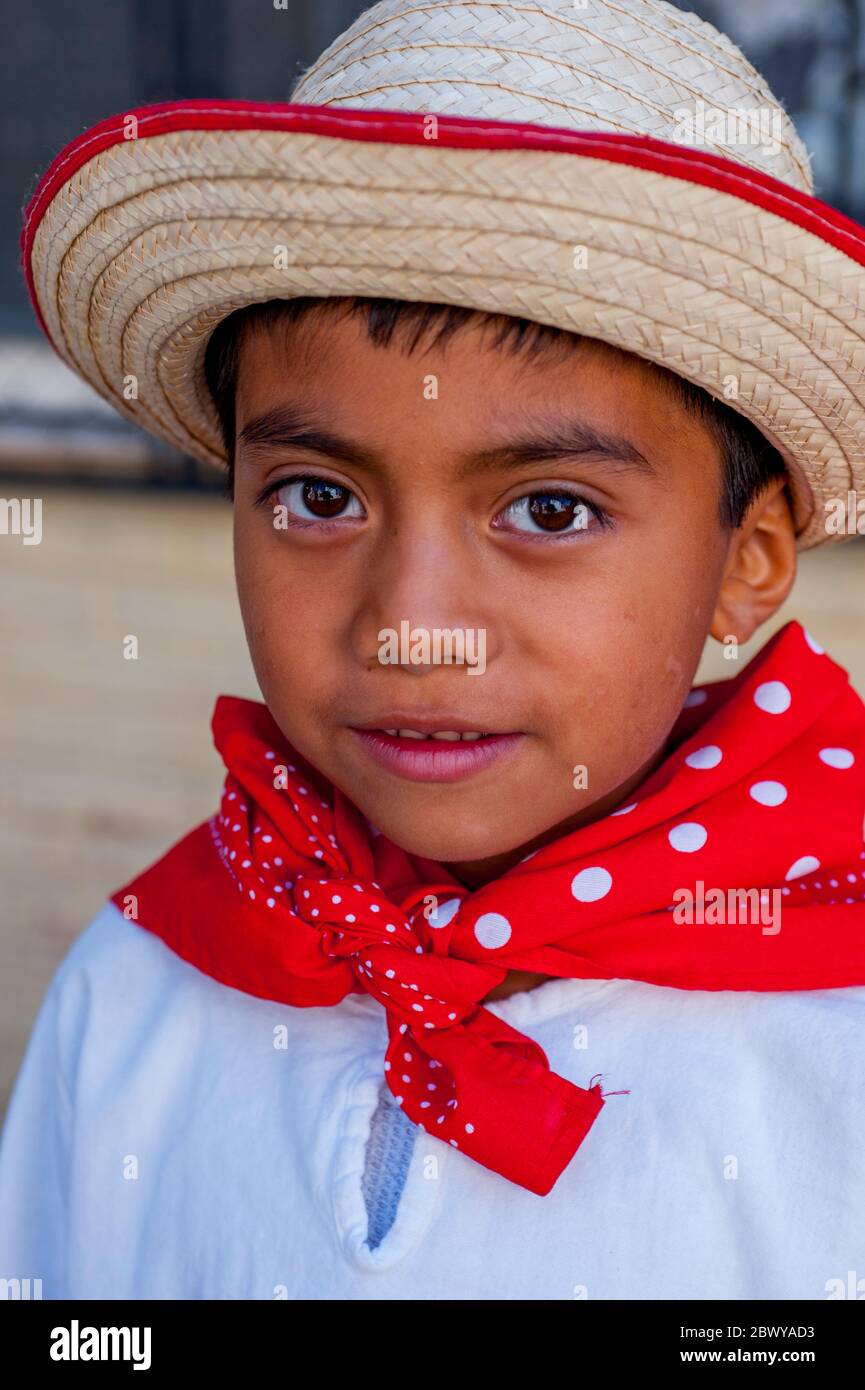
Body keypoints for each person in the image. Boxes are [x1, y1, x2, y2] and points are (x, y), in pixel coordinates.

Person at [2, 0, 865, 1299]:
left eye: (550, 511)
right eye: (319, 497)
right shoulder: (140, 992)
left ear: (744, 561)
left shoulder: (835, 1053)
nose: (411, 625)